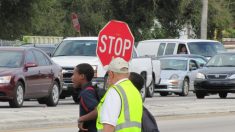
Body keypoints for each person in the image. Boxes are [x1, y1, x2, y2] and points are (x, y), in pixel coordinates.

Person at [96, 57, 143, 132]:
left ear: (111, 74)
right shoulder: (135, 91)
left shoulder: (114, 91)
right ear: (128, 74)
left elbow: (109, 126)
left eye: (108, 74)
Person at [71, 63, 98, 132]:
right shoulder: (91, 89)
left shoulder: (86, 93)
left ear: (82, 76)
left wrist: (81, 119)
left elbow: (97, 111)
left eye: (74, 74)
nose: (72, 77)